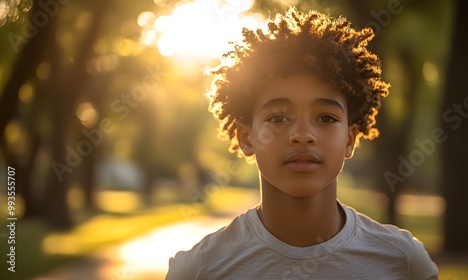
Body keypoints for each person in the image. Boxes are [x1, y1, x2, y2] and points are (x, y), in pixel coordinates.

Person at [166, 7, 438, 279]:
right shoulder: (199, 270)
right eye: (279, 117)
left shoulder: (403, 262)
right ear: (247, 139)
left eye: (326, 118)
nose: (303, 134)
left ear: (349, 140)